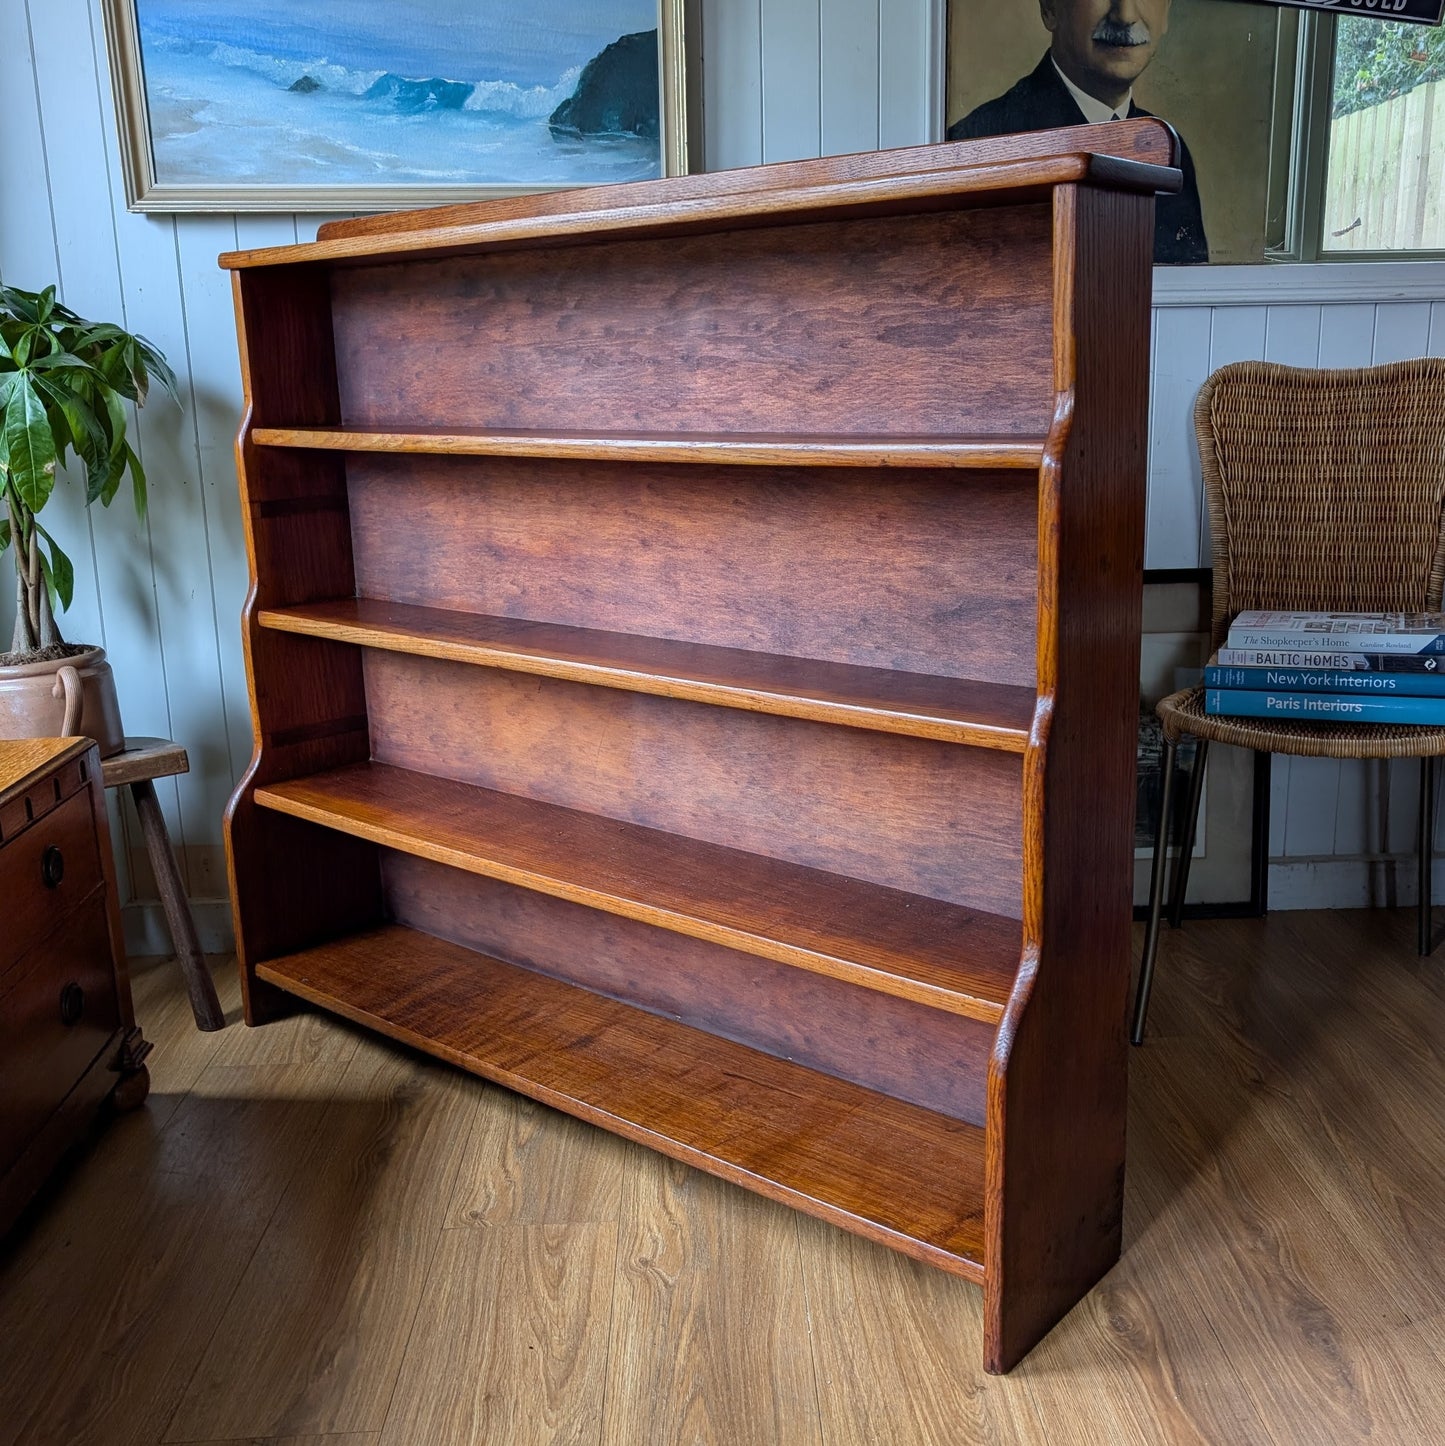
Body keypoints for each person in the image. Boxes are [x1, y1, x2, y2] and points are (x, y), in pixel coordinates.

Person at [947, 0, 1208, 264]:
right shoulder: (976, 144)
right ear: (1050, 9)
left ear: (1167, 12)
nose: (1125, 16)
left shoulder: (1167, 149)